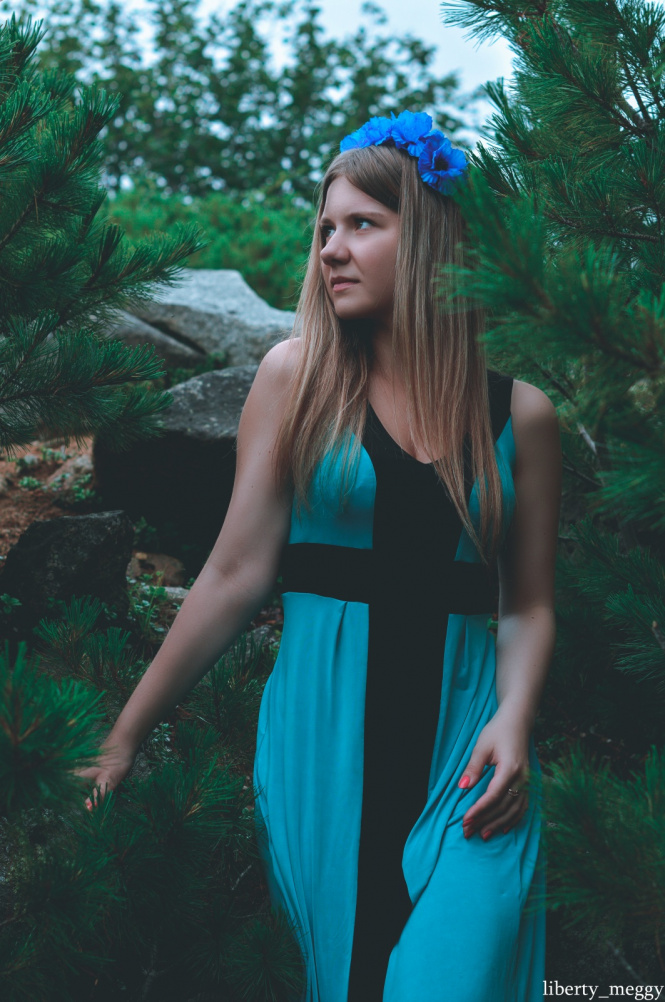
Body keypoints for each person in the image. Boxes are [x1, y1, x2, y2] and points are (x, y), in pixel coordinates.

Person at [79, 110, 562, 1002]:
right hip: (325, 741)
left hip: (470, 754)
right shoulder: (293, 379)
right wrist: (123, 737)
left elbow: (526, 602)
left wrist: (515, 719)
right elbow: (233, 575)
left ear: (431, 240)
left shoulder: (521, 415)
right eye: (324, 229)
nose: (331, 249)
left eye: (362, 225)